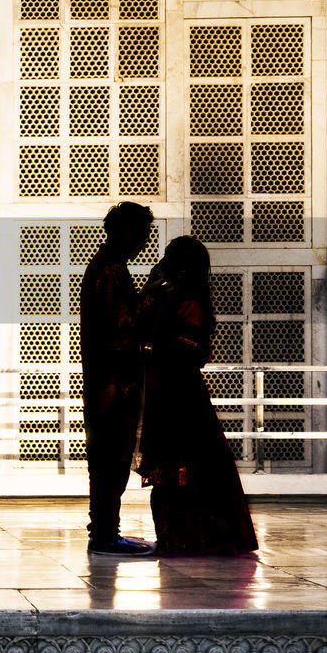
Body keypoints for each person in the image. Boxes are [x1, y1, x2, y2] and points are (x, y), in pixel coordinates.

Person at [134, 236, 258, 555]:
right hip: (170, 389)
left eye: (172, 259)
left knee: (184, 465)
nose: (165, 264)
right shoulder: (173, 295)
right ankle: (178, 538)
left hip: (179, 394)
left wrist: (153, 348)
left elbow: (184, 348)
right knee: (176, 466)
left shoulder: (188, 299)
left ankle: (189, 539)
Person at [79, 202, 155, 555]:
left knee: (107, 460)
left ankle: (106, 531)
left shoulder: (108, 268)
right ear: (123, 231)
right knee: (112, 459)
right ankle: (106, 534)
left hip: (108, 382)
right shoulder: (110, 272)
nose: (143, 241)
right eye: (141, 233)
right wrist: (154, 296)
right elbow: (121, 325)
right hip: (114, 384)